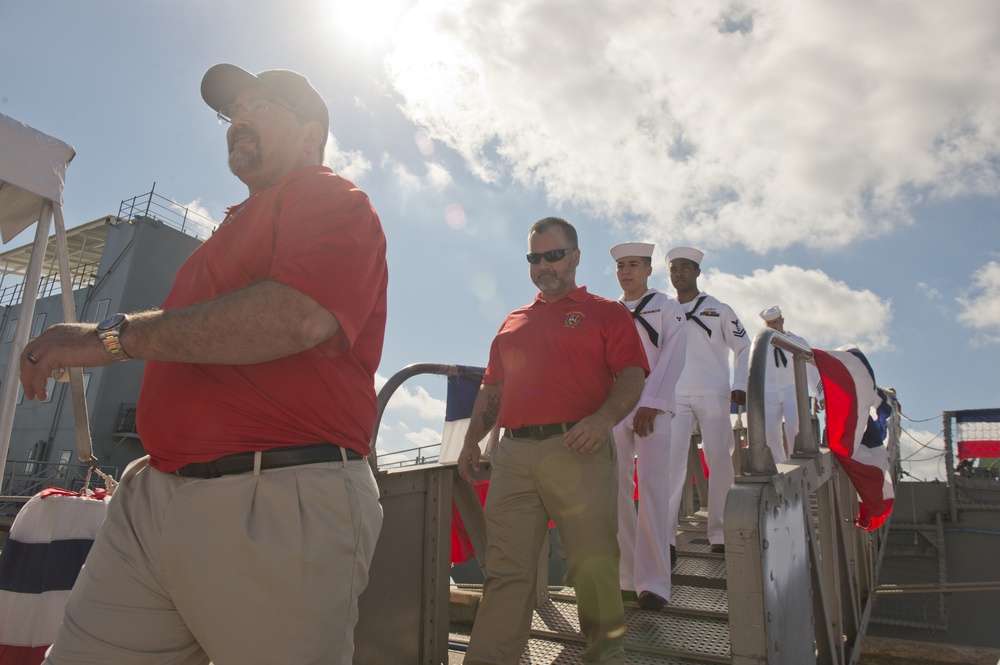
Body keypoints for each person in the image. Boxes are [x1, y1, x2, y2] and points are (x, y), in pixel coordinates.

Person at [20, 64, 388, 665]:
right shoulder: (229, 232)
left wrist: (108, 339)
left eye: (260, 107)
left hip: (275, 500)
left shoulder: (331, 198)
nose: (238, 119)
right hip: (155, 497)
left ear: (310, 134)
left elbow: (297, 316)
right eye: (232, 111)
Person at [457, 217, 648, 665]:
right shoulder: (513, 320)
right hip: (513, 456)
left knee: (594, 565)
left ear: (575, 257)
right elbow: (492, 388)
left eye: (553, 255)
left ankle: (607, 657)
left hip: (577, 449)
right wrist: (471, 441)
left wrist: (602, 422)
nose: (543, 265)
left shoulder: (607, 312)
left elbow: (633, 375)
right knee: (506, 573)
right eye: (534, 257)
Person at [608, 242, 686, 611]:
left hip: (653, 407)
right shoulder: (607, 311)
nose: (626, 271)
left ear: (648, 270)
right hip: (613, 409)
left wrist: (652, 402)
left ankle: (654, 583)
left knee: (653, 492)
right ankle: (625, 578)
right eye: (621, 265)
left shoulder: (667, 307)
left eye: (634, 265)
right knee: (618, 492)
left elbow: (674, 353)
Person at [664, 247, 749, 554]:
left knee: (719, 460)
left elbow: (743, 346)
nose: (679, 274)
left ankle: (720, 533)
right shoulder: (665, 309)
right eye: (674, 269)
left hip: (714, 392)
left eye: (685, 268)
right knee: (669, 464)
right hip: (675, 394)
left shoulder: (719, 309)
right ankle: (666, 536)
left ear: (697, 271)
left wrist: (740, 383)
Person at [759, 305, 824, 462]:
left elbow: (811, 367)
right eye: (769, 324)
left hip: (793, 390)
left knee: (794, 427)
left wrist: (819, 393)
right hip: (769, 392)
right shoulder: (761, 344)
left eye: (776, 322)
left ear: (782, 320)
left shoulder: (797, 341)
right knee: (769, 433)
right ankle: (780, 465)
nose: (773, 326)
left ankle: (796, 461)